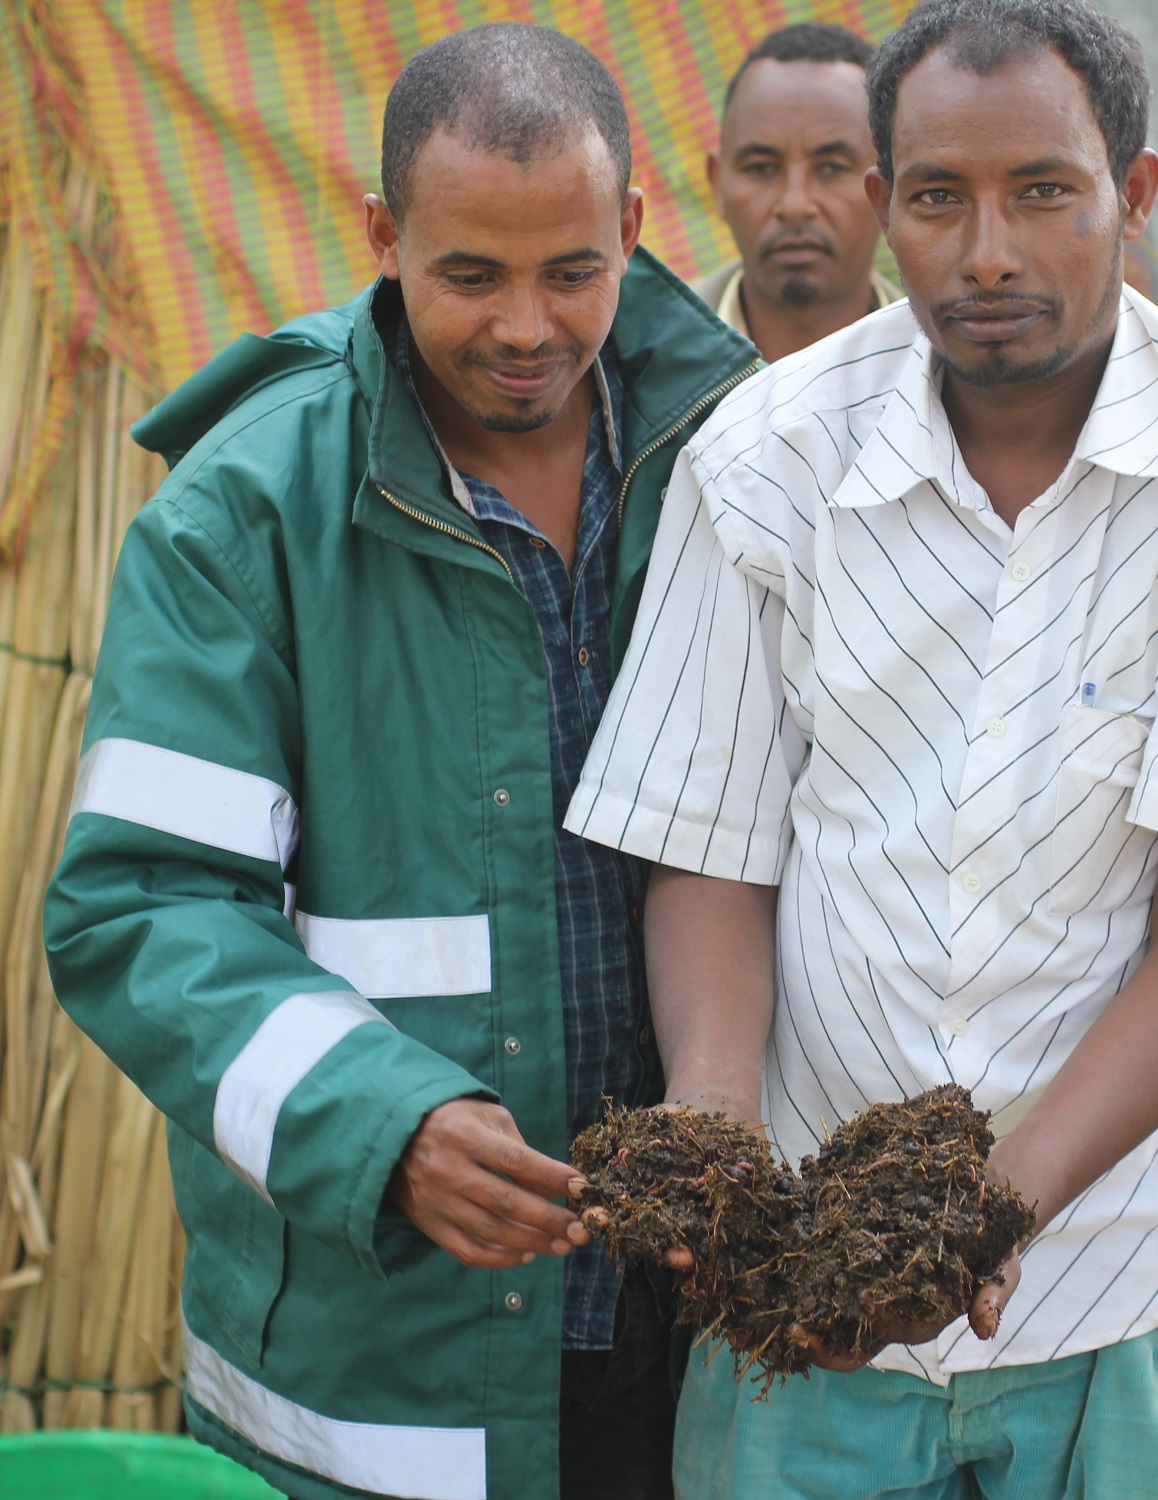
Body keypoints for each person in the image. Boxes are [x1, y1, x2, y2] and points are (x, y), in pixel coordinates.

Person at [566, 2, 1158, 1497]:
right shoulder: (765, 464)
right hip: (815, 1312)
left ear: (1132, 194)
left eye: (1044, 193)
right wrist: (717, 1132)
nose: (987, 250)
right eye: (939, 197)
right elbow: (709, 851)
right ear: (889, 201)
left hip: (1147, 1287)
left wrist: (982, 1216)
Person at [44, 23, 757, 1500]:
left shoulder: (738, 455)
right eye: (467, 275)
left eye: (571, 271)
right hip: (393, 1363)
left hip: (704, 1328)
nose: (523, 327)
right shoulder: (244, 513)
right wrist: (386, 1120)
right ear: (383, 237)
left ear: (632, 226)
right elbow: (140, 914)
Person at [692, 22, 902, 361]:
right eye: (761, 168)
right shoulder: (638, 361)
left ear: (888, 191)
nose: (795, 205)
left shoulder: (945, 363)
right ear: (718, 183)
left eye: (832, 168)